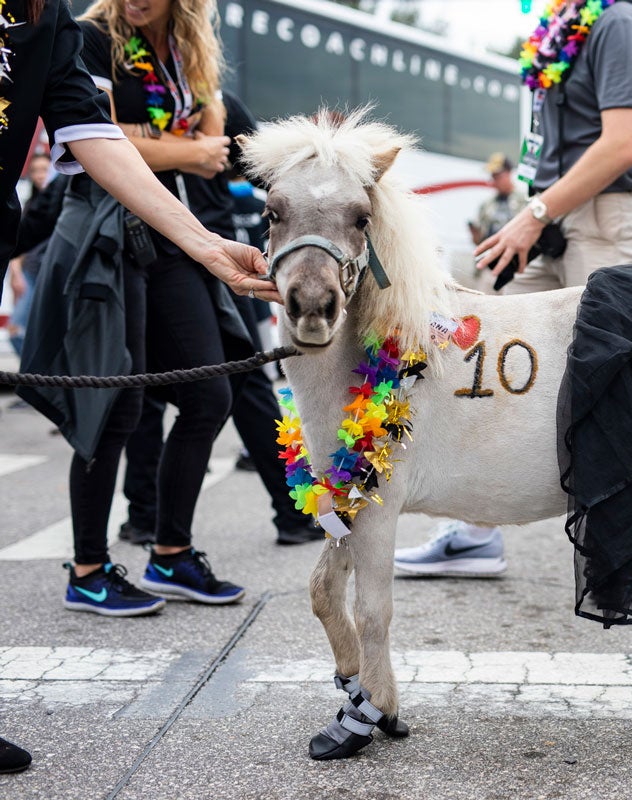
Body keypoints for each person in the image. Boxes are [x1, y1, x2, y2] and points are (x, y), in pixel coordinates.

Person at [0, 0, 272, 773]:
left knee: (209, 392)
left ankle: (169, 550)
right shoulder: (90, 34)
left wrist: (209, 244)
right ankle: (88, 570)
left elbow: (102, 139)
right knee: (111, 405)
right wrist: (186, 154)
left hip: (160, 232)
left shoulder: (54, 27)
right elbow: (151, 156)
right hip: (103, 236)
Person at [393, 0, 632, 590]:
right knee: (476, 347)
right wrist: (535, 215)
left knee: (617, 384)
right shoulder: (560, 29)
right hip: (552, 216)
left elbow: (622, 145)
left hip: (604, 217)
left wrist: (533, 214)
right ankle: (476, 532)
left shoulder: (619, 20)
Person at [115, 92, 323, 549]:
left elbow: (263, 164)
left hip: (214, 256)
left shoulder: (215, 98)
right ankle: (145, 516)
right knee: (152, 389)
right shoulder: (119, 89)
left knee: (238, 382)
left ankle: (290, 511)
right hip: (144, 255)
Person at [6, 153, 59, 357]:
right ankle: (36, 373)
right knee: (17, 329)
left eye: (44, 170)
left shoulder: (63, 200)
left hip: (52, 273)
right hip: (31, 272)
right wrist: (16, 274)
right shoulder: (28, 206)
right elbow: (18, 242)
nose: (39, 176)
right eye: (35, 171)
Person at [468, 153, 524, 247]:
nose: (494, 181)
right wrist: (475, 234)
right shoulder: (486, 205)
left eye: (497, 176)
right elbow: (478, 241)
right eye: (493, 177)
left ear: (509, 173)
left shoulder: (524, 201)